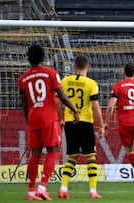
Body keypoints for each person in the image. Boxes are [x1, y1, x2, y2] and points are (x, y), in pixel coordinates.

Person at [18, 44, 79, 201]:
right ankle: (42, 187)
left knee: (35, 155)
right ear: (43, 58)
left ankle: (31, 191)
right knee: (53, 151)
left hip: (33, 118)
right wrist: (74, 110)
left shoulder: (23, 79)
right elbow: (62, 96)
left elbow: (24, 104)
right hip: (49, 117)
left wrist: (28, 120)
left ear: (28, 58)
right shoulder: (51, 73)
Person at [57, 54, 105, 199]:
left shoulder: (65, 80)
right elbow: (95, 107)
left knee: (72, 157)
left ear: (74, 66)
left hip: (70, 122)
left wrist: (60, 118)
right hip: (85, 122)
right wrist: (102, 125)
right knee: (90, 157)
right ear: (88, 66)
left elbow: (58, 102)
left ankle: (63, 189)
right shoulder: (91, 83)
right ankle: (92, 191)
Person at [104, 62, 134, 186]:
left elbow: (110, 106)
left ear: (123, 72)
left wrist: (106, 122)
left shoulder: (118, 87)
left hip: (125, 122)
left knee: (129, 151)